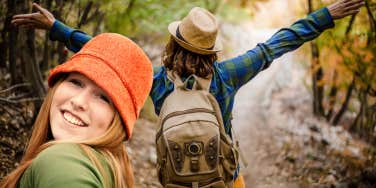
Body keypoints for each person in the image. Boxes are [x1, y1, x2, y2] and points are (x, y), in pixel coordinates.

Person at [11, 0, 365, 187]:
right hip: (226, 176)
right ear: (212, 51)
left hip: (177, 176)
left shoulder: (157, 79)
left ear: (173, 41)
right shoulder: (227, 75)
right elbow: (277, 43)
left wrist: (56, 28)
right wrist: (325, 15)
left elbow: (104, 54)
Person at [0, 33, 153, 188]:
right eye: (76, 82)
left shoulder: (60, 162)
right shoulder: (111, 165)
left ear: (119, 121)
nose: (79, 102)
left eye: (103, 98)